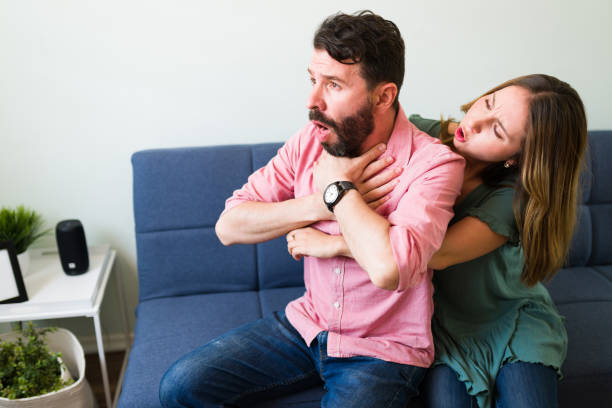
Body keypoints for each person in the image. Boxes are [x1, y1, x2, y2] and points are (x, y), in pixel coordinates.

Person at [158, 10, 465, 408]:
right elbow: (229, 226)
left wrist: (339, 190)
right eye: (313, 80)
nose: (312, 100)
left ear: (384, 95)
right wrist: (319, 202)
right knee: (179, 386)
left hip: (382, 351)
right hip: (306, 324)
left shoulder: (434, 165)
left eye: (333, 84)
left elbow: (392, 269)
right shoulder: (310, 141)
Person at [290, 74, 587, 408]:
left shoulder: (513, 198)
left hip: (508, 319)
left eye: (497, 130)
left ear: (516, 158)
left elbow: (433, 254)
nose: (474, 123)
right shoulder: (423, 135)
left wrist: (335, 244)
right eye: (487, 103)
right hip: (440, 324)